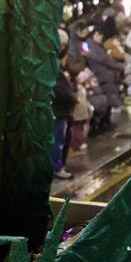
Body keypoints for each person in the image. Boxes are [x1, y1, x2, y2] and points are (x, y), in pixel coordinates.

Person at [87, 26, 124, 139]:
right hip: (101, 77)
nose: (101, 38)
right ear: (95, 35)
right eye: (99, 35)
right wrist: (119, 66)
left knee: (107, 102)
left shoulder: (95, 46)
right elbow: (104, 59)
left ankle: (105, 123)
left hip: (104, 77)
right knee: (103, 102)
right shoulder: (92, 47)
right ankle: (100, 125)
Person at [54, 29, 77, 180]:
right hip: (59, 110)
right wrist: (73, 98)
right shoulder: (55, 67)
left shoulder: (56, 65)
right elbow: (60, 89)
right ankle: (56, 167)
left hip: (59, 110)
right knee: (57, 141)